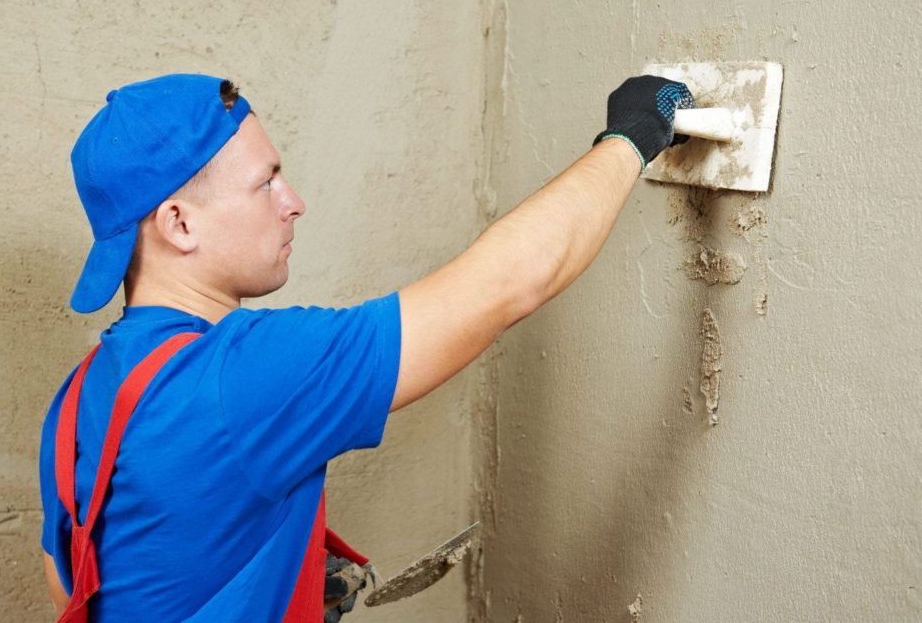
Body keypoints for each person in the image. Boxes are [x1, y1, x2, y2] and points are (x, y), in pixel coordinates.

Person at [38, 72, 693, 622]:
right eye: (265, 182)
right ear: (178, 222)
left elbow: (76, 583)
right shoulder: (247, 374)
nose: (293, 202)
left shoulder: (80, 395)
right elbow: (510, 283)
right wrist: (630, 136)